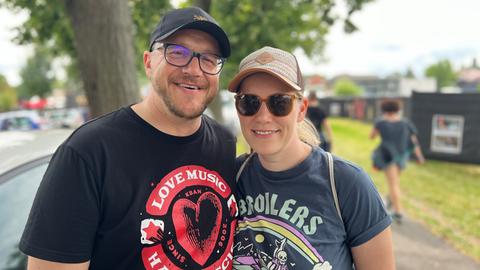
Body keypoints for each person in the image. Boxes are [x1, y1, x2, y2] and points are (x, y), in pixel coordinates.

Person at [20, 7, 238, 270]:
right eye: (177, 53)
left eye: (209, 58)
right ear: (148, 63)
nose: (194, 69)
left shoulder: (225, 143)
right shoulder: (88, 153)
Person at [228, 46, 395, 270]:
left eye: (280, 102)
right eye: (249, 102)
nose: (263, 117)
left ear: (301, 109)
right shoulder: (231, 177)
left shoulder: (346, 184)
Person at [370, 99, 425, 223]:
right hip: (402, 157)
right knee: (395, 182)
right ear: (397, 109)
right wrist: (419, 156)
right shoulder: (406, 123)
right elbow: (414, 141)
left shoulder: (380, 122)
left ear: (384, 109)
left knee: (393, 184)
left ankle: (398, 212)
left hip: (388, 157)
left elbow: (372, 136)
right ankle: (390, 200)